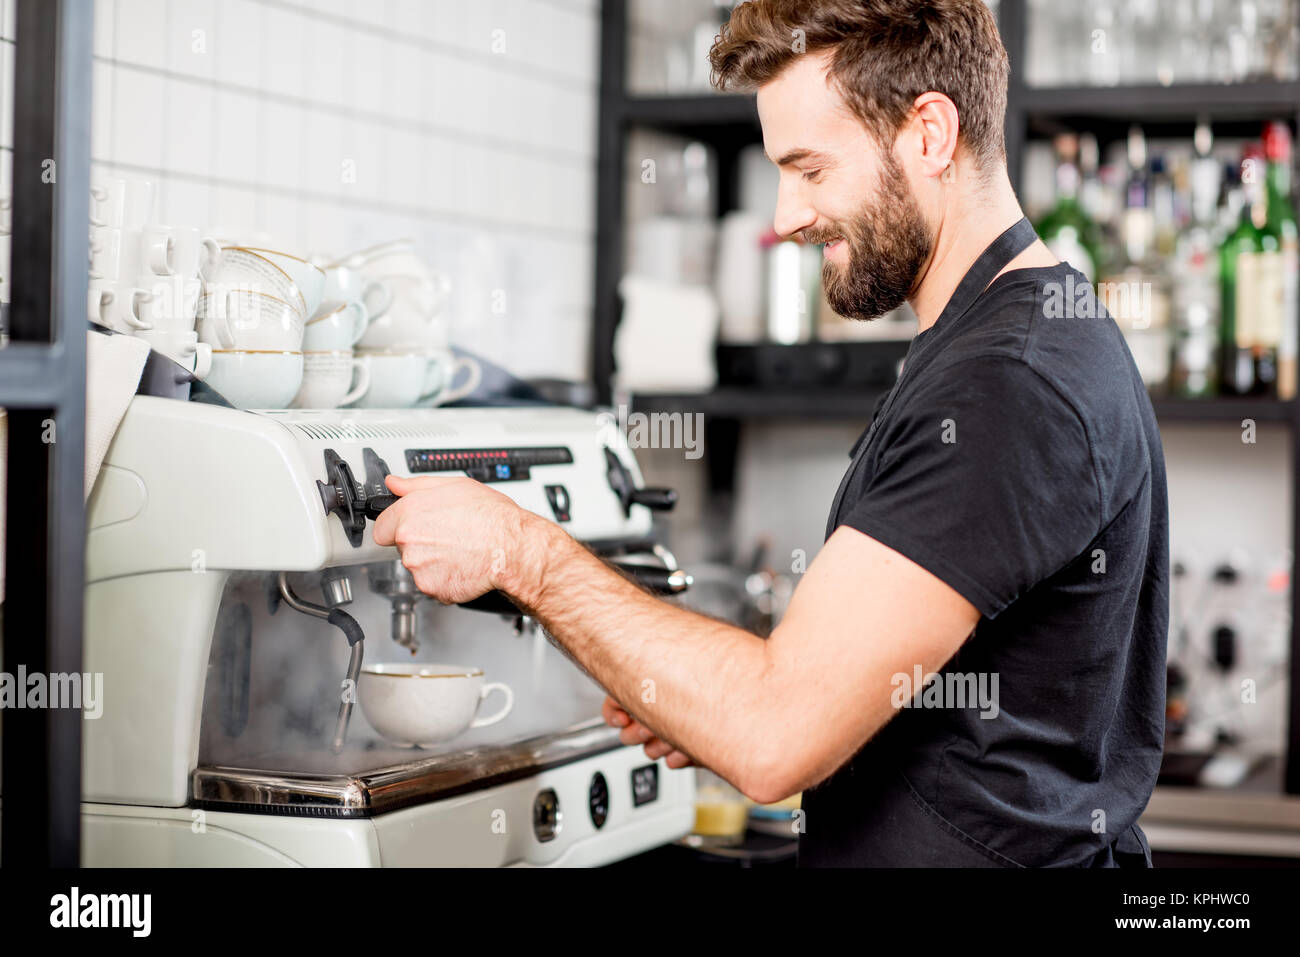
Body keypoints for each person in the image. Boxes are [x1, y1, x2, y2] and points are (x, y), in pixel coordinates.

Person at [373, 0, 1168, 867]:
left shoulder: (1008, 379)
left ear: (930, 135)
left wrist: (518, 551)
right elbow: (851, 694)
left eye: (811, 169)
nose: (786, 217)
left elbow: (773, 731)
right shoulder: (1005, 338)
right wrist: (697, 696)